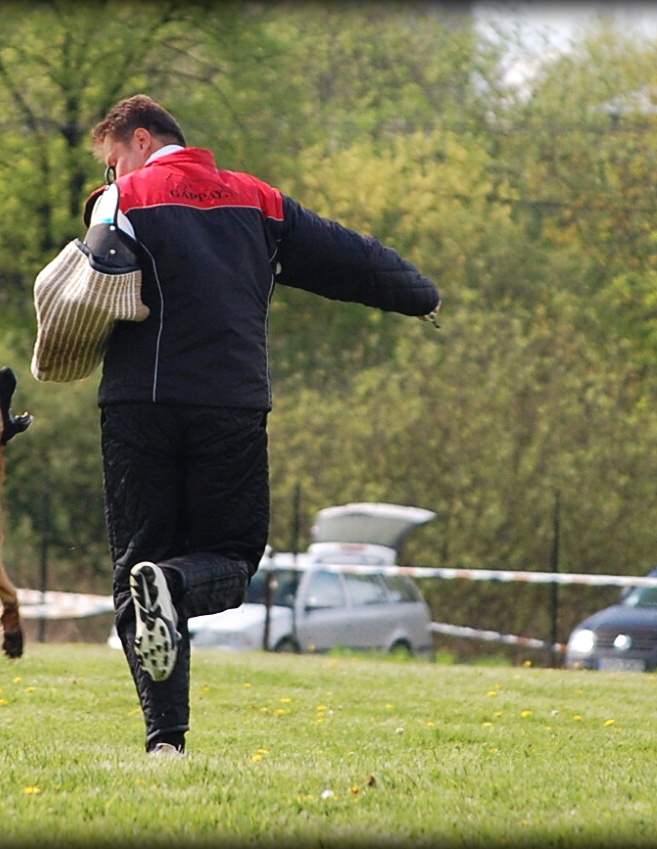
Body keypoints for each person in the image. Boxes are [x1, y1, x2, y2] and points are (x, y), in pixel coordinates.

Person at [79, 95, 440, 757]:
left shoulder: (123, 199)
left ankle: (166, 742)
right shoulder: (260, 200)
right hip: (231, 404)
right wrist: (418, 293)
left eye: (112, 162)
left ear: (138, 138)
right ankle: (179, 586)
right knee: (232, 558)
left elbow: (86, 281)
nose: (110, 175)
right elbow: (347, 257)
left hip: (136, 406)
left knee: (139, 566)